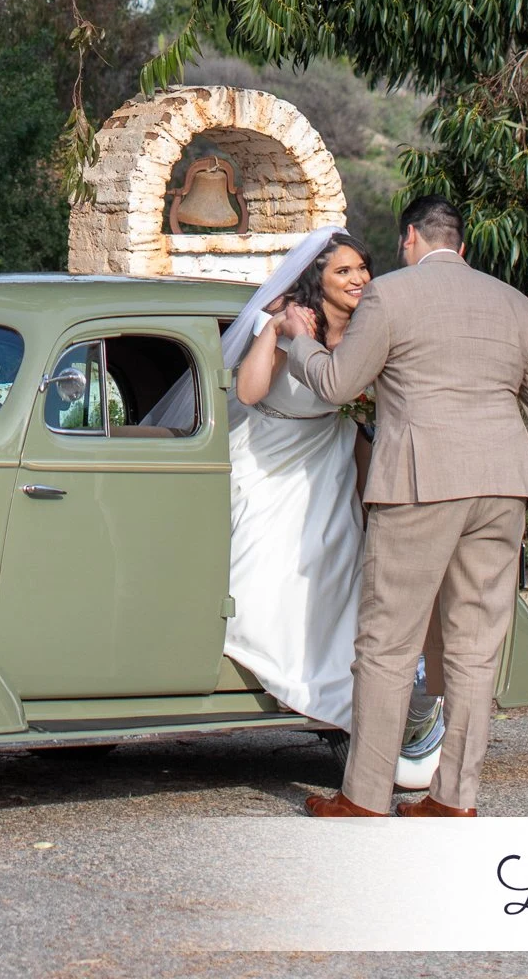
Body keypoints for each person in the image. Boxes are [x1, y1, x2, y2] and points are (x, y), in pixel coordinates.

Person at [278, 193, 528, 818]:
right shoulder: (514, 304)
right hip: (503, 489)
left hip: (419, 483)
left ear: (410, 238)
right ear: (460, 247)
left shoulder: (392, 295)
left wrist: (298, 342)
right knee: (473, 650)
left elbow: (338, 382)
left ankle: (363, 798)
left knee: (387, 643)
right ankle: (453, 800)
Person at [220, 227, 374, 733]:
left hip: (328, 456)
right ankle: (258, 665)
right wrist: (274, 331)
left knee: (330, 562)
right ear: (318, 277)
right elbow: (247, 391)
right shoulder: (295, 318)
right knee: (263, 559)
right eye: (343, 271)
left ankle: (330, 685)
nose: (357, 279)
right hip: (272, 449)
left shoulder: (368, 326)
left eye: (361, 268)